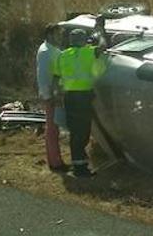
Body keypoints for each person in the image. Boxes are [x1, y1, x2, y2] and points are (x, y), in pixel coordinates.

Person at [53, 21, 107, 178]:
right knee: (83, 132)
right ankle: (80, 168)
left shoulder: (63, 55)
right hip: (83, 97)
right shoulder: (88, 52)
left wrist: (57, 94)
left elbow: (56, 77)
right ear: (83, 41)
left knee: (75, 131)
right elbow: (103, 46)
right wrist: (101, 32)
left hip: (69, 97)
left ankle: (79, 163)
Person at [36, 24, 68, 172]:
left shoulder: (53, 50)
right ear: (49, 35)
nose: (59, 36)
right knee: (52, 128)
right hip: (51, 94)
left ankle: (56, 160)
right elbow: (43, 76)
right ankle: (55, 162)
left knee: (54, 127)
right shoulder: (46, 52)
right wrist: (48, 95)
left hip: (55, 93)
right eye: (57, 33)